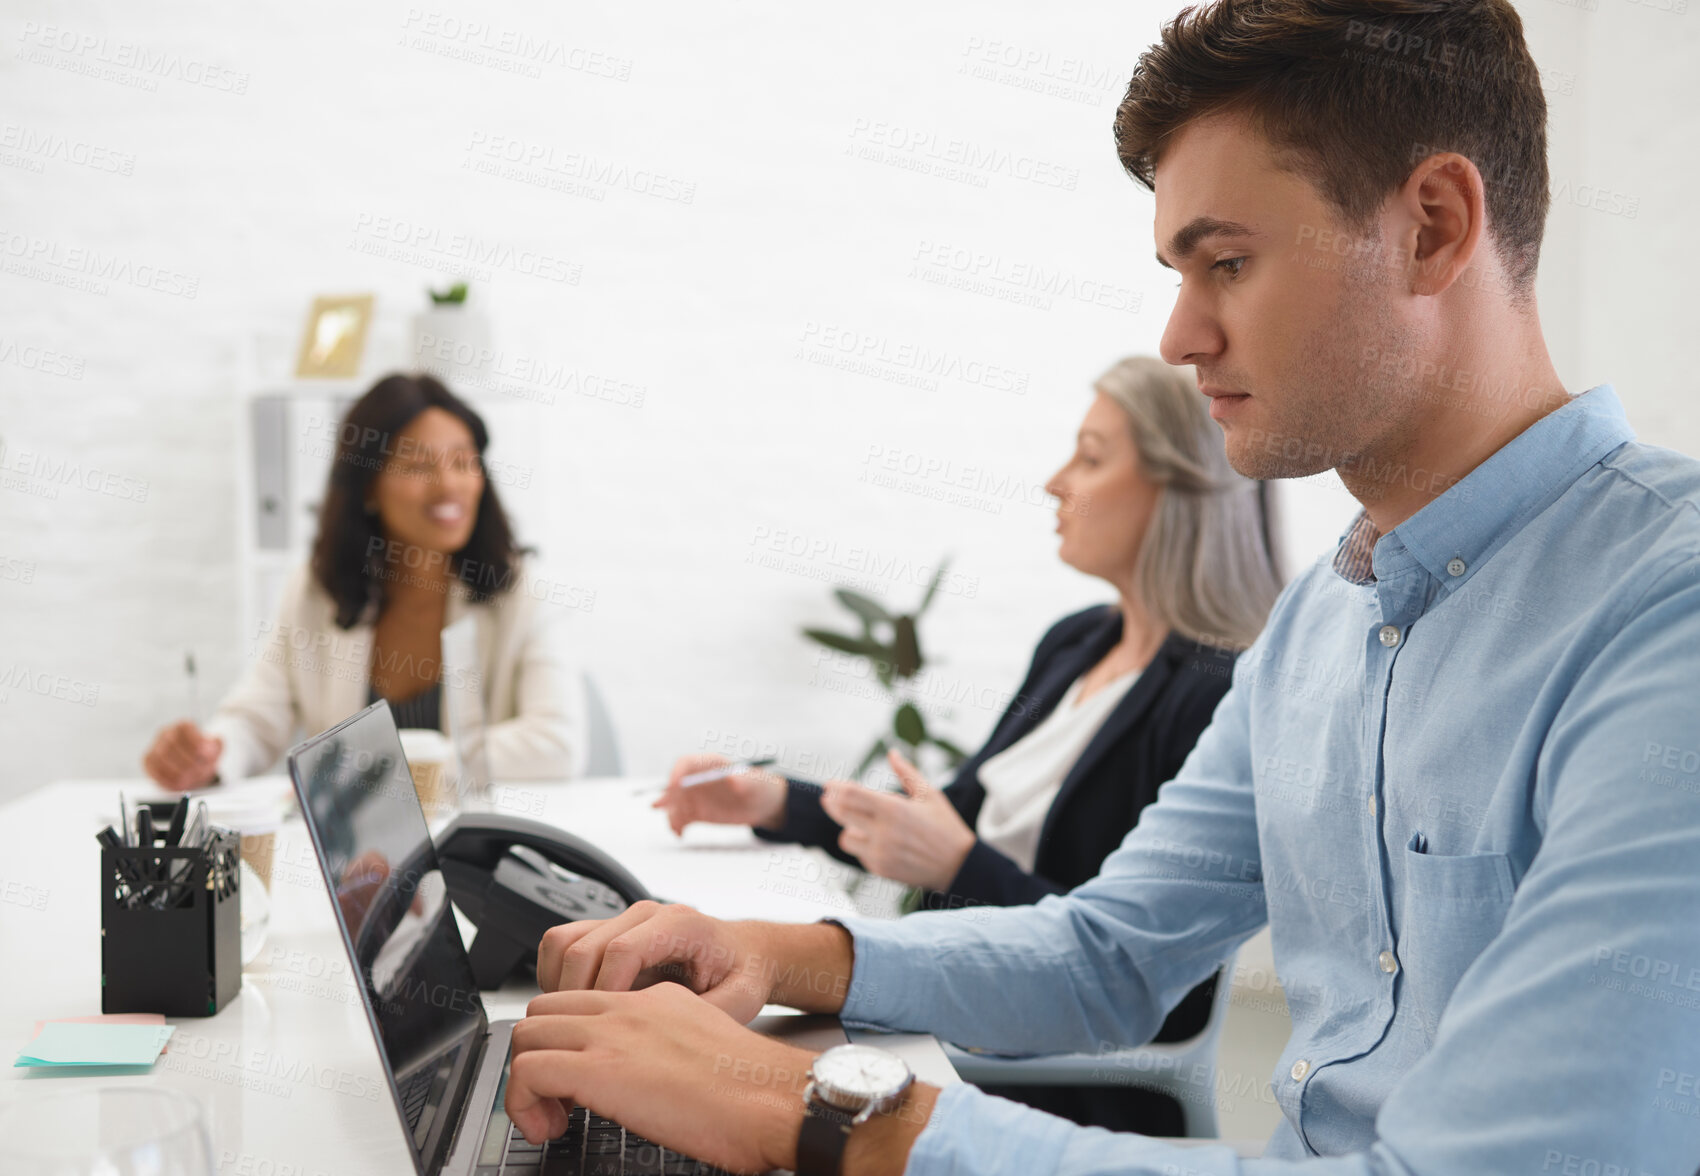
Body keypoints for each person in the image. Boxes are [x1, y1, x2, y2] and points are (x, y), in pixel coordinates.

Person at [490, 0, 1700, 1173]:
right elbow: (1106, 947)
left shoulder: (1664, 616)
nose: (1178, 336)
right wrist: (770, 953)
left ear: (1432, 227)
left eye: (1223, 260)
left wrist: (812, 1114)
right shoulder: (1321, 625)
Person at [654, 355, 1280, 1133]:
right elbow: (950, 817)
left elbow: (1139, 975)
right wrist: (776, 801)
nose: (1056, 482)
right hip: (959, 1020)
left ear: (1181, 487)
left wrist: (960, 866)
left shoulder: (1213, 695)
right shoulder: (1078, 643)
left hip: (1054, 1081)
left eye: (1089, 457)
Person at [142, 373, 583, 789]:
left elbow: (557, 743)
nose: (449, 485)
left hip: (475, 847)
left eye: (463, 461)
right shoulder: (318, 591)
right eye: (417, 466)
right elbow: (257, 718)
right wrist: (210, 754)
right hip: (359, 858)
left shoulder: (521, 592)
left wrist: (400, 765)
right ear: (369, 486)